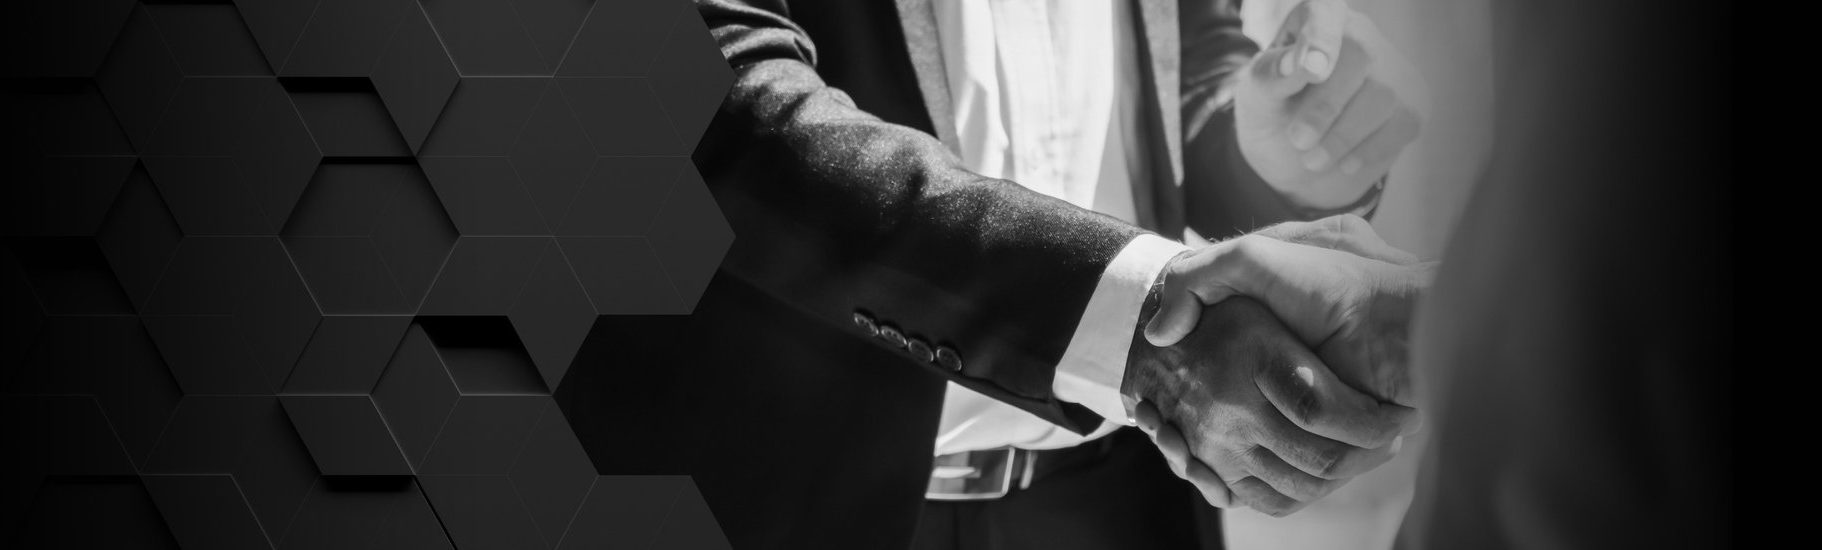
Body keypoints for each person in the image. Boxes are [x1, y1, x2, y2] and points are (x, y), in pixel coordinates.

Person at [558, 1, 1430, 548]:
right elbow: (715, 95)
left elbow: (1182, 48)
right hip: (792, 497)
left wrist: (1275, 148)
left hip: (1115, 503)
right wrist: (1140, 323)